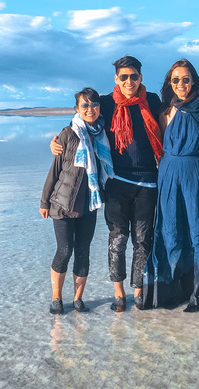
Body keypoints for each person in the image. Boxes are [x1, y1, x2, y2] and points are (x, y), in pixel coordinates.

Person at [51, 56, 163, 312]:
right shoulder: (108, 102)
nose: (129, 81)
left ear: (140, 77)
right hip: (116, 183)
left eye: (133, 76)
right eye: (123, 77)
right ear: (116, 79)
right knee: (118, 239)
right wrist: (57, 140)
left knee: (143, 240)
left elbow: (171, 119)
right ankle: (119, 293)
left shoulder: (152, 101)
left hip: (148, 182)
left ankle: (138, 291)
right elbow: (81, 121)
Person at [143, 59, 199, 312]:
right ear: (169, 83)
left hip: (195, 172)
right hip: (167, 174)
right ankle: (170, 291)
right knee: (169, 231)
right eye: (175, 80)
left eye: (186, 79)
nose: (181, 84)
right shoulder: (166, 112)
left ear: (194, 81)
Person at [40, 87, 114, 315]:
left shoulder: (103, 133)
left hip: (88, 205)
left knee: (83, 251)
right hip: (61, 204)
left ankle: (78, 299)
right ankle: (56, 298)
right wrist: (44, 202)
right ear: (77, 109)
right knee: (64, 249)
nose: (90, 109)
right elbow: (55, 170)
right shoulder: (68, 134)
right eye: (85, 105)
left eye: (93, 104)